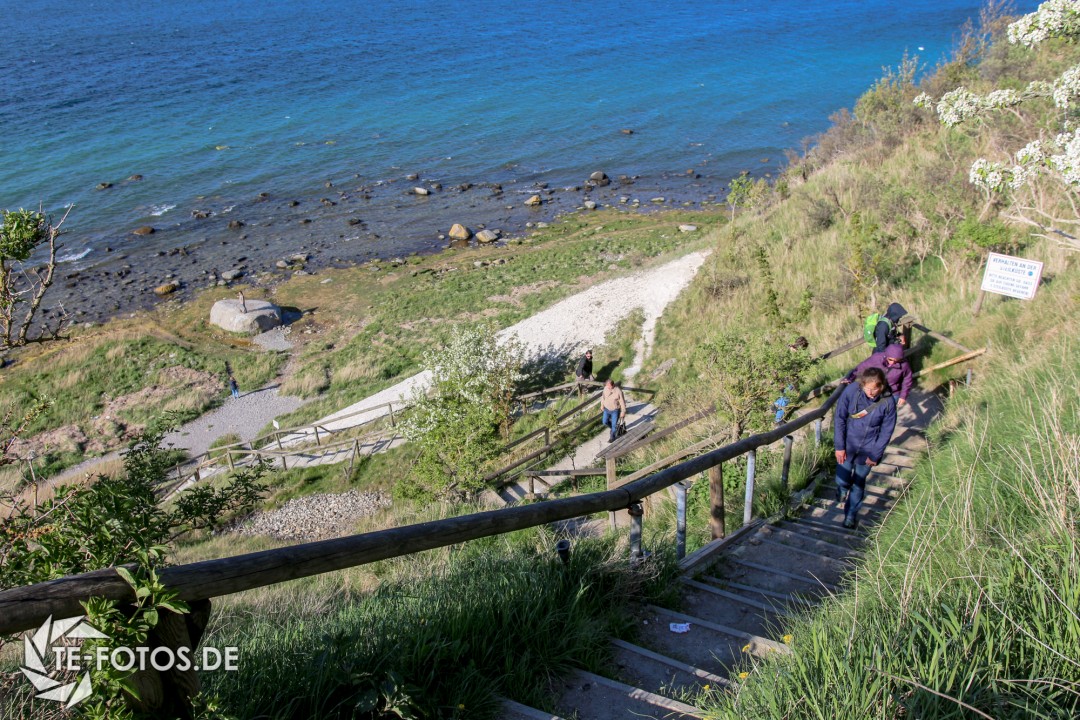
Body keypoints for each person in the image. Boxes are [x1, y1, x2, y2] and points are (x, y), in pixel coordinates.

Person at [833, 366, 896, 529]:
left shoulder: (888, 402)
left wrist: (875, 455)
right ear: (862, 384)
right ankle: (842, 488)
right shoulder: (852, 391)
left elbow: (887, 431)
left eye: (875, 389)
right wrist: (839, 446)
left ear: (882, 386)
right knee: (842, 479)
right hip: (848, 444)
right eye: (868, 389)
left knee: (858, 483)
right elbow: (839, 417)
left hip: (869, 449)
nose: (871, 393)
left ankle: (850, 515)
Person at [842, 344, 913, 407]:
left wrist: (903, 396)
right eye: (890, 359)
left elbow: (907, 380)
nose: (892, 362)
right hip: (874, 390)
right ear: (886, 355)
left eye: (897, 361)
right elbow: (861, 367)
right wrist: (850, 378)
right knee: (870, 412)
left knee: (888, 413)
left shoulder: (904, 365)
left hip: (892, 392)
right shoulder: (877, 358)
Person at [599, 379, 626, 443]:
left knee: (614, 426)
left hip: (615, 410)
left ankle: (612, 437)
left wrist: (623, 411)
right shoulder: (606, 388)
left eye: (609, 386)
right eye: (607, 386)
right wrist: (602, 405)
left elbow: (622, 402)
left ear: (613, 385)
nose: (608, 387)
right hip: (606, 409)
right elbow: (603, 397)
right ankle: (614, 428)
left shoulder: (618, 391)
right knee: (604, 422)